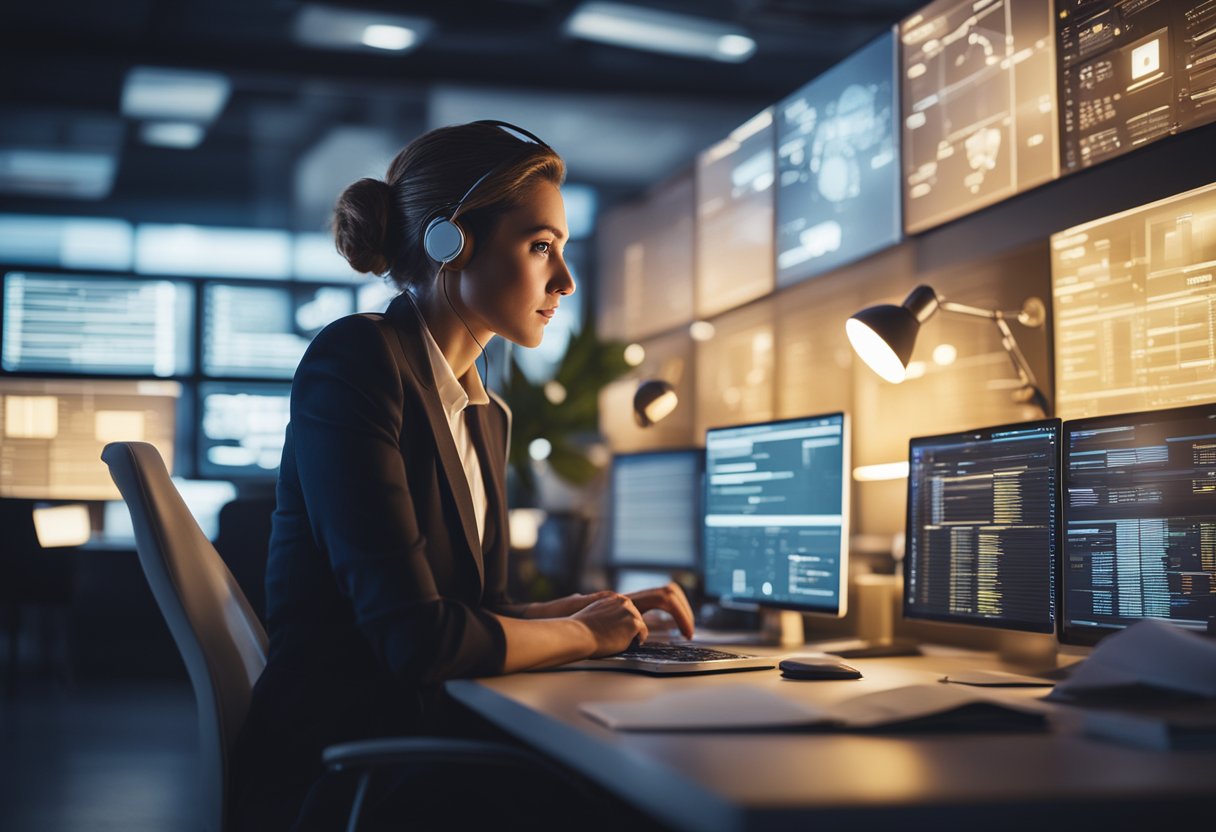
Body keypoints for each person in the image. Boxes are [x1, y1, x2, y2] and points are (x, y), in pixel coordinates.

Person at [229, 120, 695, 830]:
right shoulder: (357, 361)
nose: (564, 281)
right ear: (452, 241)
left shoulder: (484, 410)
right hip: (351, 768)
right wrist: (586, 636)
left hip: (420, 742)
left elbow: (485, 611)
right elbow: (418, 639)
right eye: (541, 247)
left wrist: (596, 611)